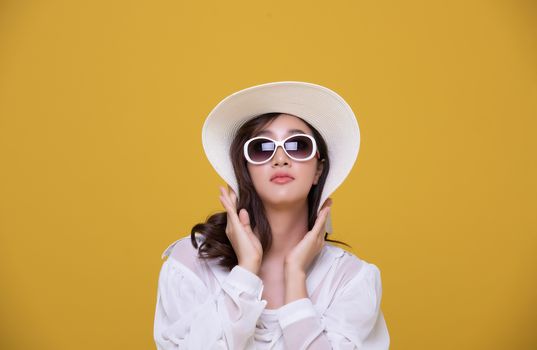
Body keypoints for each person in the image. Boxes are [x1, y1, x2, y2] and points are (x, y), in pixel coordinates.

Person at [153, 81, 390, 349]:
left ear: (318, 170)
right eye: (262, 147)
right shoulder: (192, 264)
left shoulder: (350, 280)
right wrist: (246, 270)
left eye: (298, 145)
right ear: (245, 169)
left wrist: (295, 275)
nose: (280, 158)